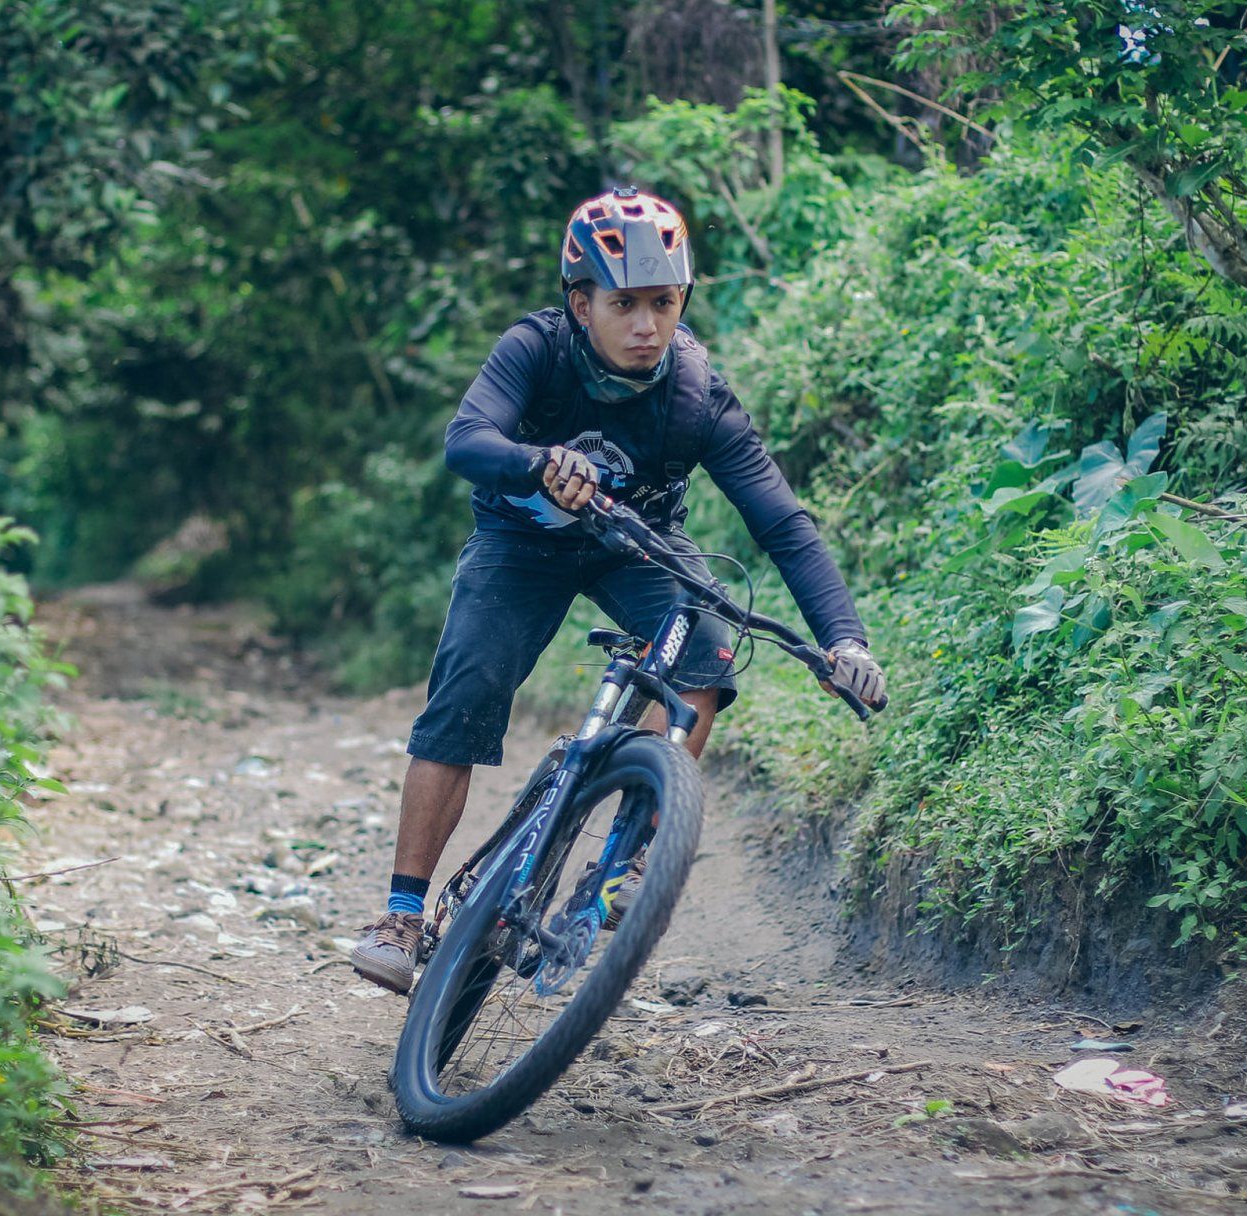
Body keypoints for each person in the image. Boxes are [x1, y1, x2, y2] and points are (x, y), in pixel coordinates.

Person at [350, 186, 886, 994]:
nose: (647, 326)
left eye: (664, 304)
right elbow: (467, 441)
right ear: (580, 303)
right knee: (466, 690)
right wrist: (538, 463)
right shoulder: (535, 348)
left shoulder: (698, 396)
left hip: (634, 543)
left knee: (706, 654)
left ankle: (627, 863)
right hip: (519, 539)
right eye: (624, 304)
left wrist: (845, 640)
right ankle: (401, 912)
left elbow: (783, 525)